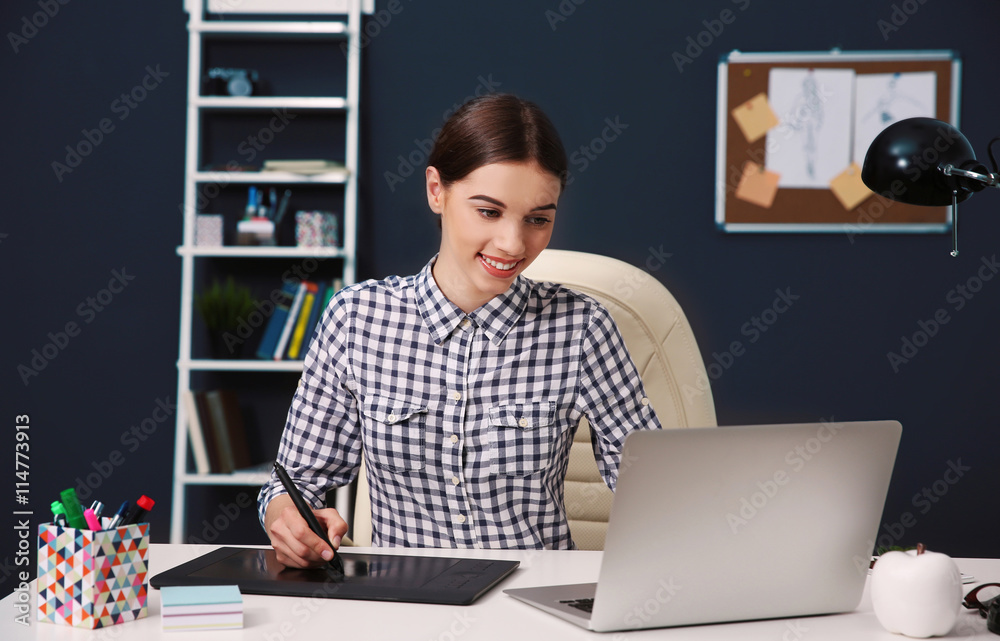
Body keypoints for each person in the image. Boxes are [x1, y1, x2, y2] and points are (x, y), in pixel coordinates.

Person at [257, 93, 661, 569]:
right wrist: (288, 518)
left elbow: (657, 488)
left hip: (533, 601)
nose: (513, 244)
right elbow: (293, 483)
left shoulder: (582, 328)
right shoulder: (356, 320)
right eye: (488, 211)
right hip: (406, 602)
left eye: (538, 219)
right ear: (436, 190)